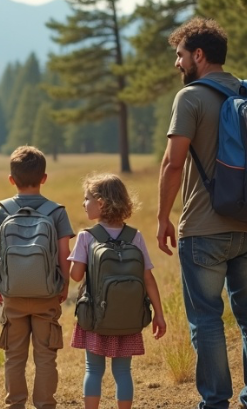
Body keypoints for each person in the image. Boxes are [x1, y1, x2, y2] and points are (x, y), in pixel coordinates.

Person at [157, 17, 247, 409]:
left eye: (180, 55)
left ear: (199, 55)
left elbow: (173, 164)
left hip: (205, 230)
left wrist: (162, 218)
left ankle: (215, 403)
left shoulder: (189, 97)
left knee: (206, 319)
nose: (177, 64)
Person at [0, 145, 75, 409]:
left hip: (12, 293)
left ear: (12, 180)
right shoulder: (56, 211)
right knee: (46, 357)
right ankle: (45, 404)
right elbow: (64, 252)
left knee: (14, 357)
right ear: (44, 178)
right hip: (47, 294)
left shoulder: (2, 209)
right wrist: (64, 284)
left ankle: (15, 405)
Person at [69, 173, 166, 409]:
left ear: (100, 203)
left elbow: (76, 276)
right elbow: (148, 279)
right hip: (128, 317)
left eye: (87, 199)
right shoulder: (135, 236)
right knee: (123, 371)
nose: (84, 204)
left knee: (94, 369)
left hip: (96, 316)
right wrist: (159, 315)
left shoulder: (86, 236)